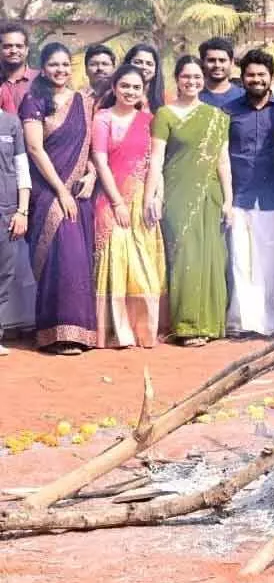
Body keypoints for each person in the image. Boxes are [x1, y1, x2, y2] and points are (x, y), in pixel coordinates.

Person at [19, 42, 98, 354]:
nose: (60, 70)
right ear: (43, 67)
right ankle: (55, 334)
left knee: (78, 260)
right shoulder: (34, 100)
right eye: (54, 65)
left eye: (65, 65)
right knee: (60, 258)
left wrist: (91, 174)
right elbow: (35, 149)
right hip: (49, 190)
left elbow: (91, 147)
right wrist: (61, 191)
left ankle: (81, 333)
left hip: (79, 190)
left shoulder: (84, 101)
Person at [148, 56, 232, 346]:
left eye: (197, 78)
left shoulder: (216, 117)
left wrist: (228, 201)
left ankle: (208, 325)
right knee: (183, 256)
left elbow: (223, 162)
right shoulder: (165, 114)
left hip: (210, 194)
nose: (192, 82)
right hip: (176, 193)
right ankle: (185, 325)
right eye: (186, 77)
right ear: (177, 79)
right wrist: (152, 195)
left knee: (211, 257)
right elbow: (156, 159)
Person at [91, 64, 166, 348]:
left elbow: (155, 164)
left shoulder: (150, 120)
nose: (130, 91)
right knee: (116, 262)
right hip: (112, 201)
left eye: (136, 87)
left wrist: (156, 197)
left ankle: (143, 331)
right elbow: (100, 161)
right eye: (124, 86)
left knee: (142, 267)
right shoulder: (103, 118)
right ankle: (115, 333)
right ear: (114, 88)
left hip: (142, 200)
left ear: (143, 90)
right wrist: (117, 202)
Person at [225, 49, 274, 337]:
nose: (256, 79)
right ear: (243, 78)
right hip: (239, 194)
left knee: (271, 259)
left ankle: (272, 321)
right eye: (250, 75)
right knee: (242, 259)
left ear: (271, 77)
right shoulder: (229, 111)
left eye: (261, 74)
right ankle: (244, 322)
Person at [0, 107, 32, 356]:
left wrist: (22, 211)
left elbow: (22, 170)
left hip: (7, 211)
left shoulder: (11, 123)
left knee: (3, 274)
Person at [198, 36, 245, 110]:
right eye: (211, 60)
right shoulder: (192, 97)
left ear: (232, 63)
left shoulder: (244, 97)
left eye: (222, 60)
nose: (217, 65)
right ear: (202, 63)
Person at [0, 23, 37, 114]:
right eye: (7, 46)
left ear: (27, 50)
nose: (14, 51)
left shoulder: (42, 79)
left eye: (19, 46)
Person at [121, 44, 166, 113]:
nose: (144, 67)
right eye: (138, 62)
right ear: (127, 64)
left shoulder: (165, 98)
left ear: (156, 69)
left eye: (149, 64)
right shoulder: (115, 94)